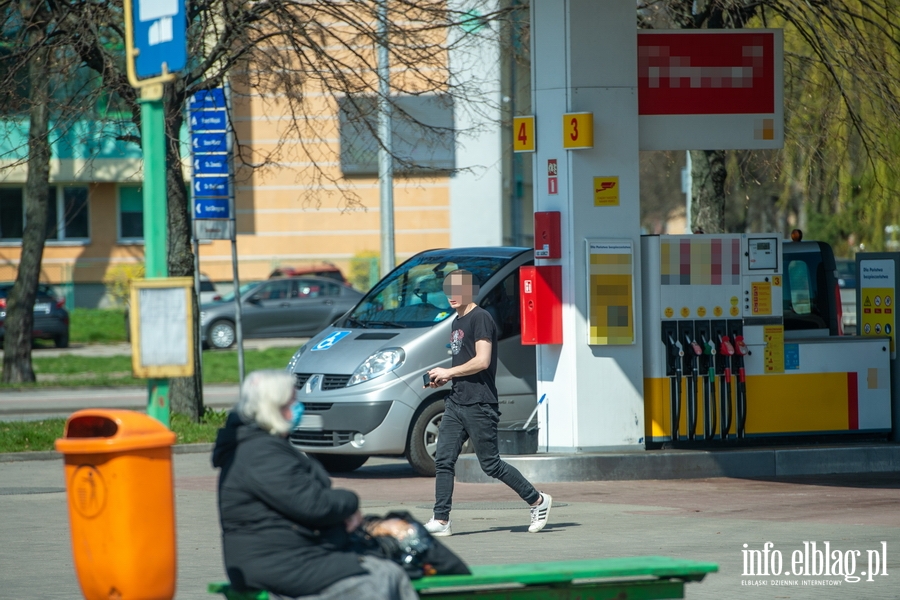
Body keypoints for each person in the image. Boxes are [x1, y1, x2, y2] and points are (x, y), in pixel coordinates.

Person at [212, 369, 418, 600]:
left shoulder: (259, 446)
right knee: (383, 576)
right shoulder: (260, 452)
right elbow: (313, 505)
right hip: (279, 563)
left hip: (289, 555)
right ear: (275, 407)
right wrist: (349, 503)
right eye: (293, 400)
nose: (299, 406)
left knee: (385, 569)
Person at [424, 269, 552, 537]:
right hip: (457, 401)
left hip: (480, 403)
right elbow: (465, 363)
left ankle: (538, 500)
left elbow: (482, 360)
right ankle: (441, 519)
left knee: (491, 464)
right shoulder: (456, 322)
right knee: (444, 460)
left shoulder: (481, 318)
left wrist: (449, 372)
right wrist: (443, 378)